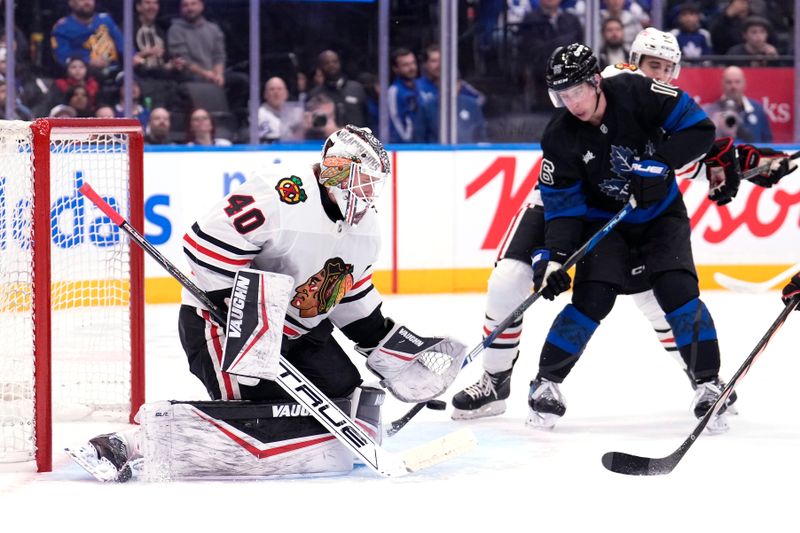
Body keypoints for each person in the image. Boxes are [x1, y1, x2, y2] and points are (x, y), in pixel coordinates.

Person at [66, 125, 466, 481]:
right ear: (337, 171)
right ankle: (130, 443)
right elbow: (204, 246)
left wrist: (390, 345)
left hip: (298, 334)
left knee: (344, 394)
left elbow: (349, 297)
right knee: (263, 410)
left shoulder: (367, 230)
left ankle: (309, 436)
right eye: (362, 182)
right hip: (224, 326)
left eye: (374, 185)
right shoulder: (281, 193)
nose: (368, 195)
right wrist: (254, 321)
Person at [167, 0, 248, 110]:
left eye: (193, 4)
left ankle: (231, 117)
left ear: (201, 6)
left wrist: (218, 74)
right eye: (185, 5)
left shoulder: (213, 29)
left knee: (242, 81)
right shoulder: (175, 29)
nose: (189, 8)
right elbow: (182, 60)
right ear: (181, 9)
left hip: (214, 75)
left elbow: (219, 55)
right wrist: (206, 74)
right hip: (190, 77)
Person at [50, 0, 124, 81]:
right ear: (71, 3)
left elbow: (122, 44)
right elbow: (62, 56)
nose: (87, 2)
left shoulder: (106, 19)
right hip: (85, 76)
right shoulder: (62, 27)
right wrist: (88, 61)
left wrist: (133, 56)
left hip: (116, 71)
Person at [702, 66, 772, 143]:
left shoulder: (758, 109)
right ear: (722, 84)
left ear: (744, 83)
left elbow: (768, 141)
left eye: (737, 82)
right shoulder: (711, 111)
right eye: (729, 82)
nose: (733, 86)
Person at [308, 50, 368, 129]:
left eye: (335, 61)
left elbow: (368, 118)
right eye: (326, 63)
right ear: (320, 67)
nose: (331, 65)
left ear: (340, 63)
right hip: (327, 140)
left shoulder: (356, 89)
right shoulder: (315, 94)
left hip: (356, 139)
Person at [387, 47, 424, 143]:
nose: (412, 68)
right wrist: (408, 143)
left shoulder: (422, 87)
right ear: (395, 69)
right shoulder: (394, 91)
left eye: (413, 63)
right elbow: (395, 120)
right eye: (406, 65)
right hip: (406, 147)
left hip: (425, 143)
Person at [257, 77, 304, 143]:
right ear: (265, 94)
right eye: (272, 89)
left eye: (280, 89)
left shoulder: (298, 113)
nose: (276, 93)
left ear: (286, 94)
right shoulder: (259, 115)